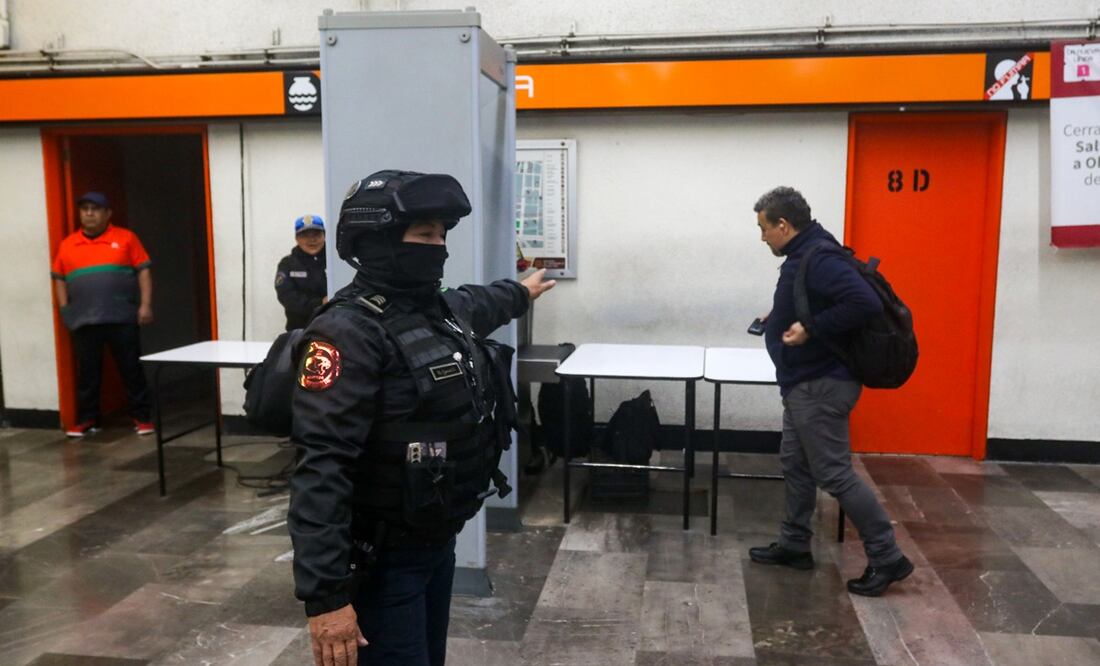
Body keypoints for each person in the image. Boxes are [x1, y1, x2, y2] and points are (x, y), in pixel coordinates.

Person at [288, 170, 556, 666]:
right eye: (424, 235)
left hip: (435, 544)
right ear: (379, 240)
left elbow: (479, 302)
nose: (439, 248)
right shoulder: (347, 333)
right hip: (381, 561)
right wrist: (326, 598)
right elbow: (321, 468)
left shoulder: (434, 312)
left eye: (442, 235)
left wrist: (521, 292)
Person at [747, 186, 913, 597]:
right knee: (796, 464)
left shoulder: (818, 257)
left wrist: (811, 328)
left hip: (820, 385)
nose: (762, 237)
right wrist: (780, 315)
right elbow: (820, 300)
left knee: (834, 474)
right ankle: (794, 543)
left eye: (764, 229)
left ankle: (887, 556)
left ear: (783, 225)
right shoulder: (809, 252)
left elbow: (863, 303)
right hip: (803, 383)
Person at [51, 191, 155, 437]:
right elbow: (58, 279)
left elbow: (144, 272)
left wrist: (146, 305)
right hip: (84, 320)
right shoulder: (68, 245)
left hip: (122, 317)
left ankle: (142, 418)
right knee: (87, 373)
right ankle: (88, 420)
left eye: (95, 209)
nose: (89, 213)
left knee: (131, 369)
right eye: (84, 209)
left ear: (108, 214)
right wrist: (65, 309)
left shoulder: (127, 238)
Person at [276, 214, 329, 331]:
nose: (312, 240)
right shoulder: (287, 264)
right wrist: (320, 303)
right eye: (305, 235)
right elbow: (287, 296)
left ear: (324, 236)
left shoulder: (336, 262)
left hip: (333, 329)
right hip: (299, 331)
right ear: (297, 238)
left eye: (316, 234)